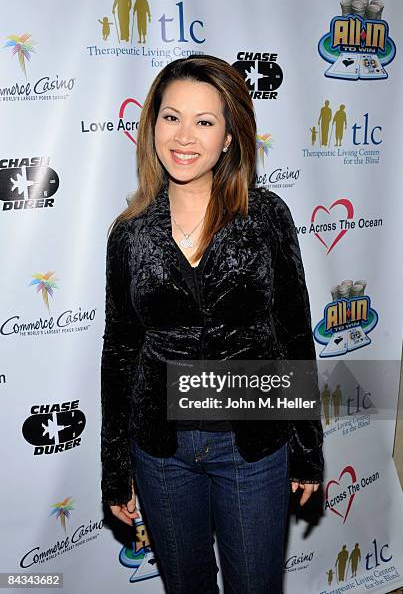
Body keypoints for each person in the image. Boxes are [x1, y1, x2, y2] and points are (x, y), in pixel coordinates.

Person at [101, 54, 324, 594]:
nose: (184, 136)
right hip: (161, 452)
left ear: (229, 137)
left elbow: (294, 335)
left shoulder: (266, 216)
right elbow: (121, 352)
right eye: (171, 116)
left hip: (252, 446)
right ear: (152, 124)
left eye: (205, 121)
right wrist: (115, 467)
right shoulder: (128, 234)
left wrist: (307, 451)